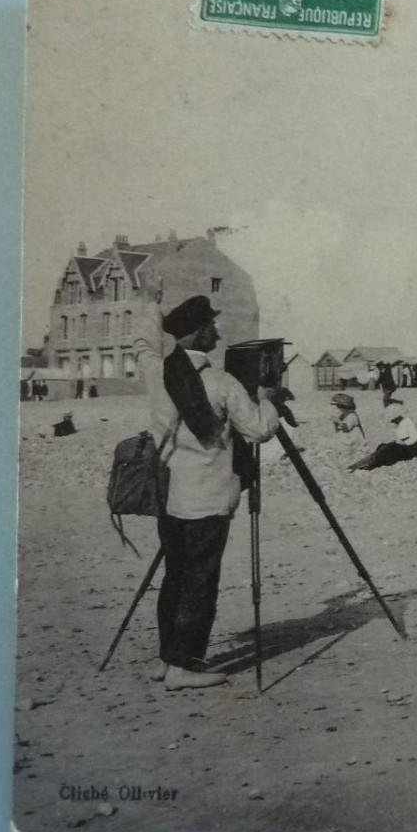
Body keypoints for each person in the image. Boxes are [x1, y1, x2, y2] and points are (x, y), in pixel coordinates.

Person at [151, 295, 280, 690]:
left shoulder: (159, 372)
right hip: (207, 498)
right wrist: (267, 397)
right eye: (212, 327)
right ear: (198, 331)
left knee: (175, 576)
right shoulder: (220, 383)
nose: (218, 333)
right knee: (199, 581)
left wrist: (152, 299)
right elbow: (259, 430)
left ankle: (168, 657)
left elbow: (143, 342)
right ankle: (182, 667)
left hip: (170, 495)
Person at [348, 409, 417, 471]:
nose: (393, 422)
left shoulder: (402, 425)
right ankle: (371, 460)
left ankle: (369, 463)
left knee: (387, 449)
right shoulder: (407, 421)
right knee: (384, 447)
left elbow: (403, 441)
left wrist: (392, 444)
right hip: (416, 448)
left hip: (411, 451)